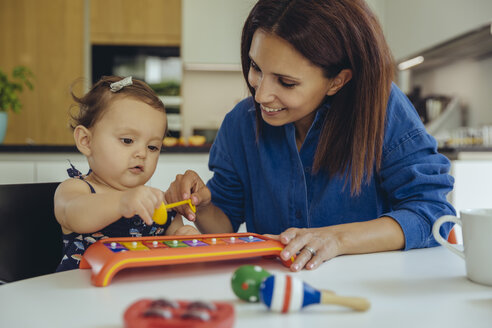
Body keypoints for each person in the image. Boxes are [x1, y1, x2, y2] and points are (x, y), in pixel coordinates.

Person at [165, 0, 455, 272]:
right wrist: (202, 206)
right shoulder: (241, 123)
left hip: (375, 289)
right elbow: (224, 225)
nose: (261, 94)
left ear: (337, 81)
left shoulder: (381, 109)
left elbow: (433, 214)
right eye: (256, 68)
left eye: (287, 82)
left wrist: (337, 239)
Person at [55, 76, 198, 271]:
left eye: (153, 147)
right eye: (128, 140)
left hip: (137, 296)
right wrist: (122, 202)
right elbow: (74, 214)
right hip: (81, 295)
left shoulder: (156, 204)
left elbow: (176, 241)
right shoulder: (76, 190)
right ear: (86, 141)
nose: (142, 153)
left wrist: (185, 237)